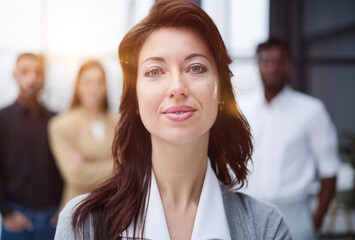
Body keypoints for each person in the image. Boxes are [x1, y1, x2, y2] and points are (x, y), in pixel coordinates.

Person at [54, 1, 292, 239]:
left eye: (196, 68)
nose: (177, 88)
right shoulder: (82, 224)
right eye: (155, 71)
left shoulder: (265, 227)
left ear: (220, 92)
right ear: (135, 99)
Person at [239, 38, 340, 239]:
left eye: (279, 61)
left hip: (294, 216)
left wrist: (315, 221)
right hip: (245, 211)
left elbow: (329, 170)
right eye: (266, 61)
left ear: (289, 66)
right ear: (258, 65)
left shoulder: (311, 110)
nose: (272, 68)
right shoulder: (241, 108)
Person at [0, 53, 63, 239]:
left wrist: (65, 206)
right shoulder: (2, 119)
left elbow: (66, 167)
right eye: (25, 71)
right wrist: (6, 213)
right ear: (14, 75)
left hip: (54, 218)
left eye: (38, 72)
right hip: (17, 218)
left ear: (44, 77)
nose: (32, 78)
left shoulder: (57, 120)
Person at [48, 60, 116, 211]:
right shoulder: (61, 125)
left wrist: (88, 166)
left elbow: (132, 165)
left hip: (113, 208)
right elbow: (76, 176)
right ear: (78, 86)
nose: (94, 88)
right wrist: (119, 166)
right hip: (78, 210)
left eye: (100, 82)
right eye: (88, 82)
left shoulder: (118, 122)